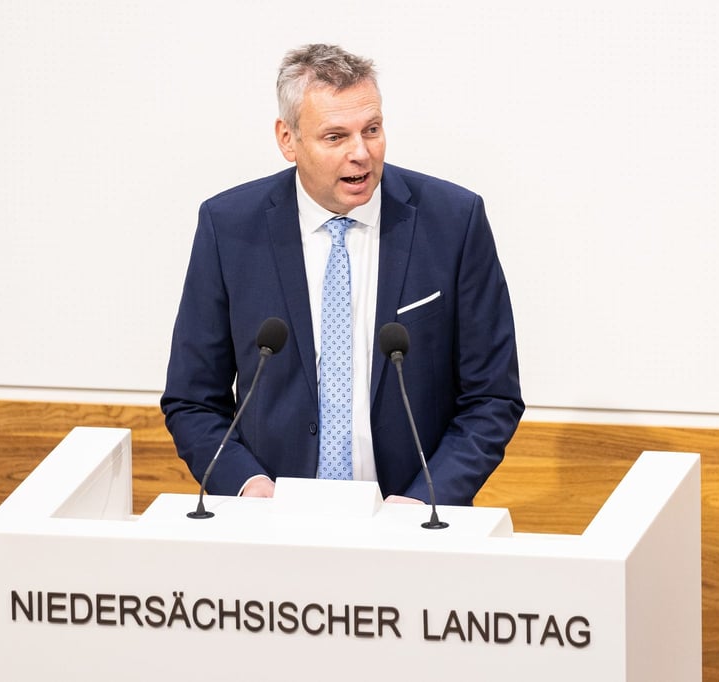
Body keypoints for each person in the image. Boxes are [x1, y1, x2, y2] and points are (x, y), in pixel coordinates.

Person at [161, 44, 523, 506]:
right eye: (335, 137)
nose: (361, 153)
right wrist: (248, 486)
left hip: (413, 526)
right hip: (271, 530)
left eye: (371, 130)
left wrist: (426, 498)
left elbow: (493, 397)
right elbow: (192, 400)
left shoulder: (454, 221)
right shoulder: (229, 227)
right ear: (287, 139)